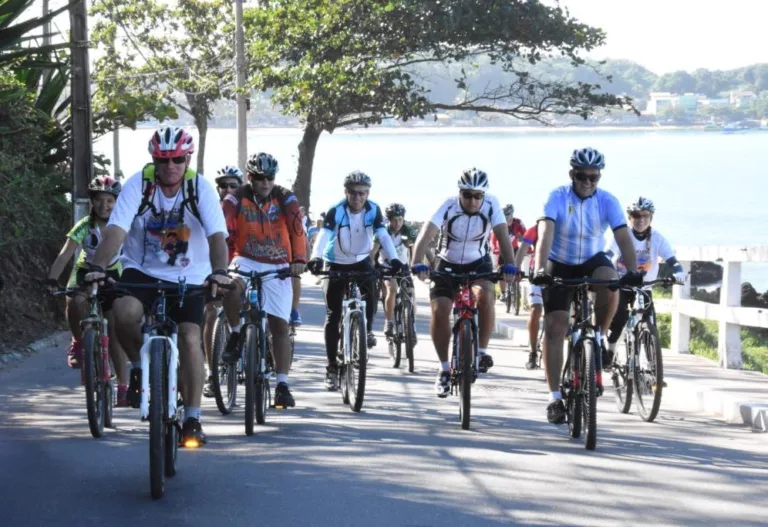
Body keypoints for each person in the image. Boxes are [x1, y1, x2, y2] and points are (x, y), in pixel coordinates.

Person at [85, 125, 231, 447]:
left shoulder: (199, 187)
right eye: (163, 160)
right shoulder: (140, 184)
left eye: (177, 159)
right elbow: (116, 231)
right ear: (154, 158)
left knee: (192, 338)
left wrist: (219, 271)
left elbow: (217, 236)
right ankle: (139, 365)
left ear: (187, 157)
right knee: (123, 312)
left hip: (190, 275)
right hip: (142, 270)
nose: (170, 167)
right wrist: (97, 267)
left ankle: (192, 417)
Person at [531, 147, 642, 425]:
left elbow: (623, 236)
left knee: (610, 281)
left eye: (594, 177)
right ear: (572, 174)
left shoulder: (607, 200)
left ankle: (601, 337)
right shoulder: (557, 196)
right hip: (560, 260)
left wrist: (632, 269)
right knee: (556, 327)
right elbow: (545, 232)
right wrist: (540, 268)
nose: (588, 182)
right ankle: (555, 397)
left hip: (592, 258)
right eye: (582, 176)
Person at [410, 168, 518, 397]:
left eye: (478, 196)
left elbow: (502, 234)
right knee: (440, 309)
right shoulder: (448, 205)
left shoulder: (492, 204)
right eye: (467, 195)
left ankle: (481, 352)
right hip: (446, 262)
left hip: (478, 262)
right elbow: (426, 233)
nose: (473, 200)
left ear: (484, 195)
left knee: (486, 294)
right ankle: (444, 369)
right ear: (460, 193)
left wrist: (509, 264)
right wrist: (417, 261)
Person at [219, 152, 306, 408]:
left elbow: (297, 229)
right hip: (244, 258)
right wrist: (218, 266)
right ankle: (235, 334)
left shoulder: (285, 197)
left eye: (269, 177)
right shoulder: (236, 198)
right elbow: (222, 229)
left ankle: (281, 384)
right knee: (232, 287)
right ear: (249, 177)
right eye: (259, 178)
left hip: (278, 262)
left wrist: (299, 258)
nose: (265, 183)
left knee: (280, 326)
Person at [307, 171, 405, 391]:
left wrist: (395, 259)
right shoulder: (337, 210)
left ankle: (366, 330)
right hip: (336, 262)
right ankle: (332, 366)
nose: (357, 197)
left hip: (361, 260)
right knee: (333, 315)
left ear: (368, 193)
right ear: (346, 192)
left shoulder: (374, 210)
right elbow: (324, 236)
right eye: (353, 193)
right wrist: (315, 258)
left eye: (362, 193)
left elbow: (383, 235)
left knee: (372, 293)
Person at [46, 176, 130, 406]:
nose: (104, 206)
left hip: (113, 272)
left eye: (110, 201)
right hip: (85, 270)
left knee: (114, 330)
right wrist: (52, 278)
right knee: (74, 301)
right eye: (99, 200)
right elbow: (65, 253)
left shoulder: (123, 223)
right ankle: (77, 341)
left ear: (117, 202)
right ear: (92, 202)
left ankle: (123, 386)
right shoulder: (85, 225)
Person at [604, 197, 688, 362]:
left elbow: (672, 260)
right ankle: (610, 351)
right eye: (636, 215)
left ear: (651, 217)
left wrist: (679, 272)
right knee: (619, 320)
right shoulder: (621, 235)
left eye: (645, 215)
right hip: (622, 284)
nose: (641, 220)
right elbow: (608, 254)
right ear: (630, 218)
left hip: (645, 287)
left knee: (651, 324)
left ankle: (654, 367)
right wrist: (604, 269)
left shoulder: (657, 238)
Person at [202, 165, 243, 398]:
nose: (227, 190)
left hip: (239, 264)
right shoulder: (208, 208)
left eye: (233, 186)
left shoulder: (244, 209)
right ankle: (211, 371)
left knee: (251, 305)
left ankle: (255, 351)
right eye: (223, 185)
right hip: (211, 267)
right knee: (209, 313)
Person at [370, 203, 418, 338]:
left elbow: (414, 250)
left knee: (411, 293)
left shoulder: (409, 231)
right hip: (386, 266)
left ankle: (412, 325)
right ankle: (389, 321)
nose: (397, 223)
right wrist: (372, 264)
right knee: (391, 289)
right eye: (394, 220)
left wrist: (415, 264)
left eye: (400, 220)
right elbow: (373, 252)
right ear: (389, 220)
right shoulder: (382, 232)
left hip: (403, 266)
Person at [514, 223, 544, 372]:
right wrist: (516, 268)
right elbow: (522, 251)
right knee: (536, 309)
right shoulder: (536, 229)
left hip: (560, 273)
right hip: (537, 273)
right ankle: (533, 351)